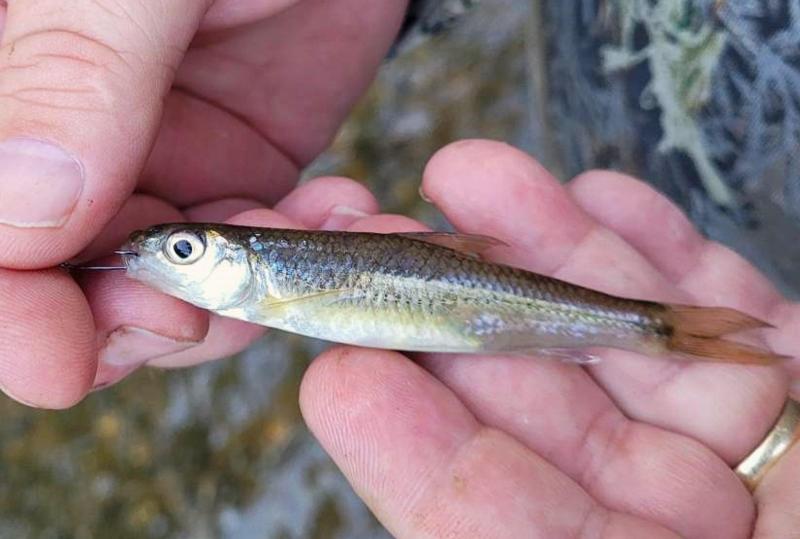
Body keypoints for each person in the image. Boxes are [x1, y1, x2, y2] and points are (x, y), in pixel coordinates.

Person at [0, 1, 797, 537]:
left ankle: (664, 328)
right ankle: (675, 326)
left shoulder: (273, 281)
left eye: (182, 250)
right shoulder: (263, 279)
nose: (160, 255)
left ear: (243, 262)